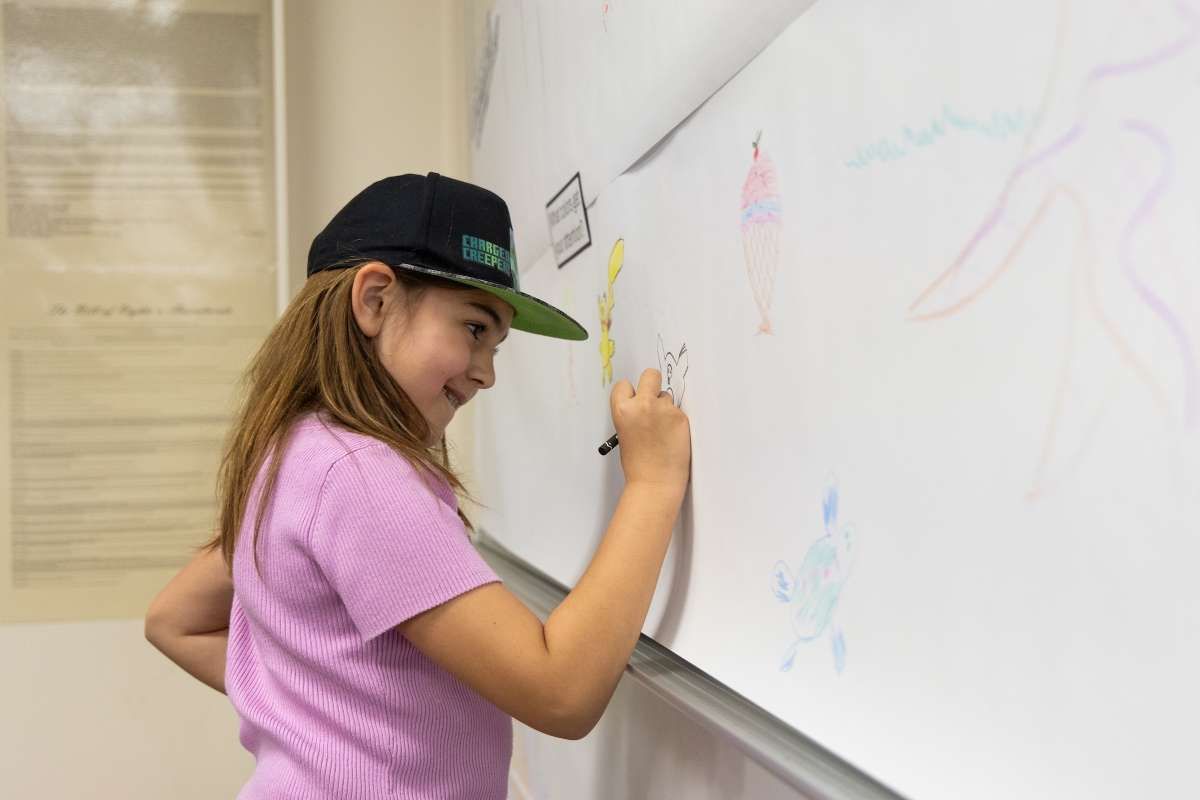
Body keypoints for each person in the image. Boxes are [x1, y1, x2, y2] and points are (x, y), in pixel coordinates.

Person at [144, 173, 691, 798]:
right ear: (375, 299)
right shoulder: (358, 477)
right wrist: (652, 484)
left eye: (497, 345)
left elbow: (174, 620)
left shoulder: (294, 453)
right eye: (475, 329)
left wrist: (314, 708)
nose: (486, 373)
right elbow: (561, 693)